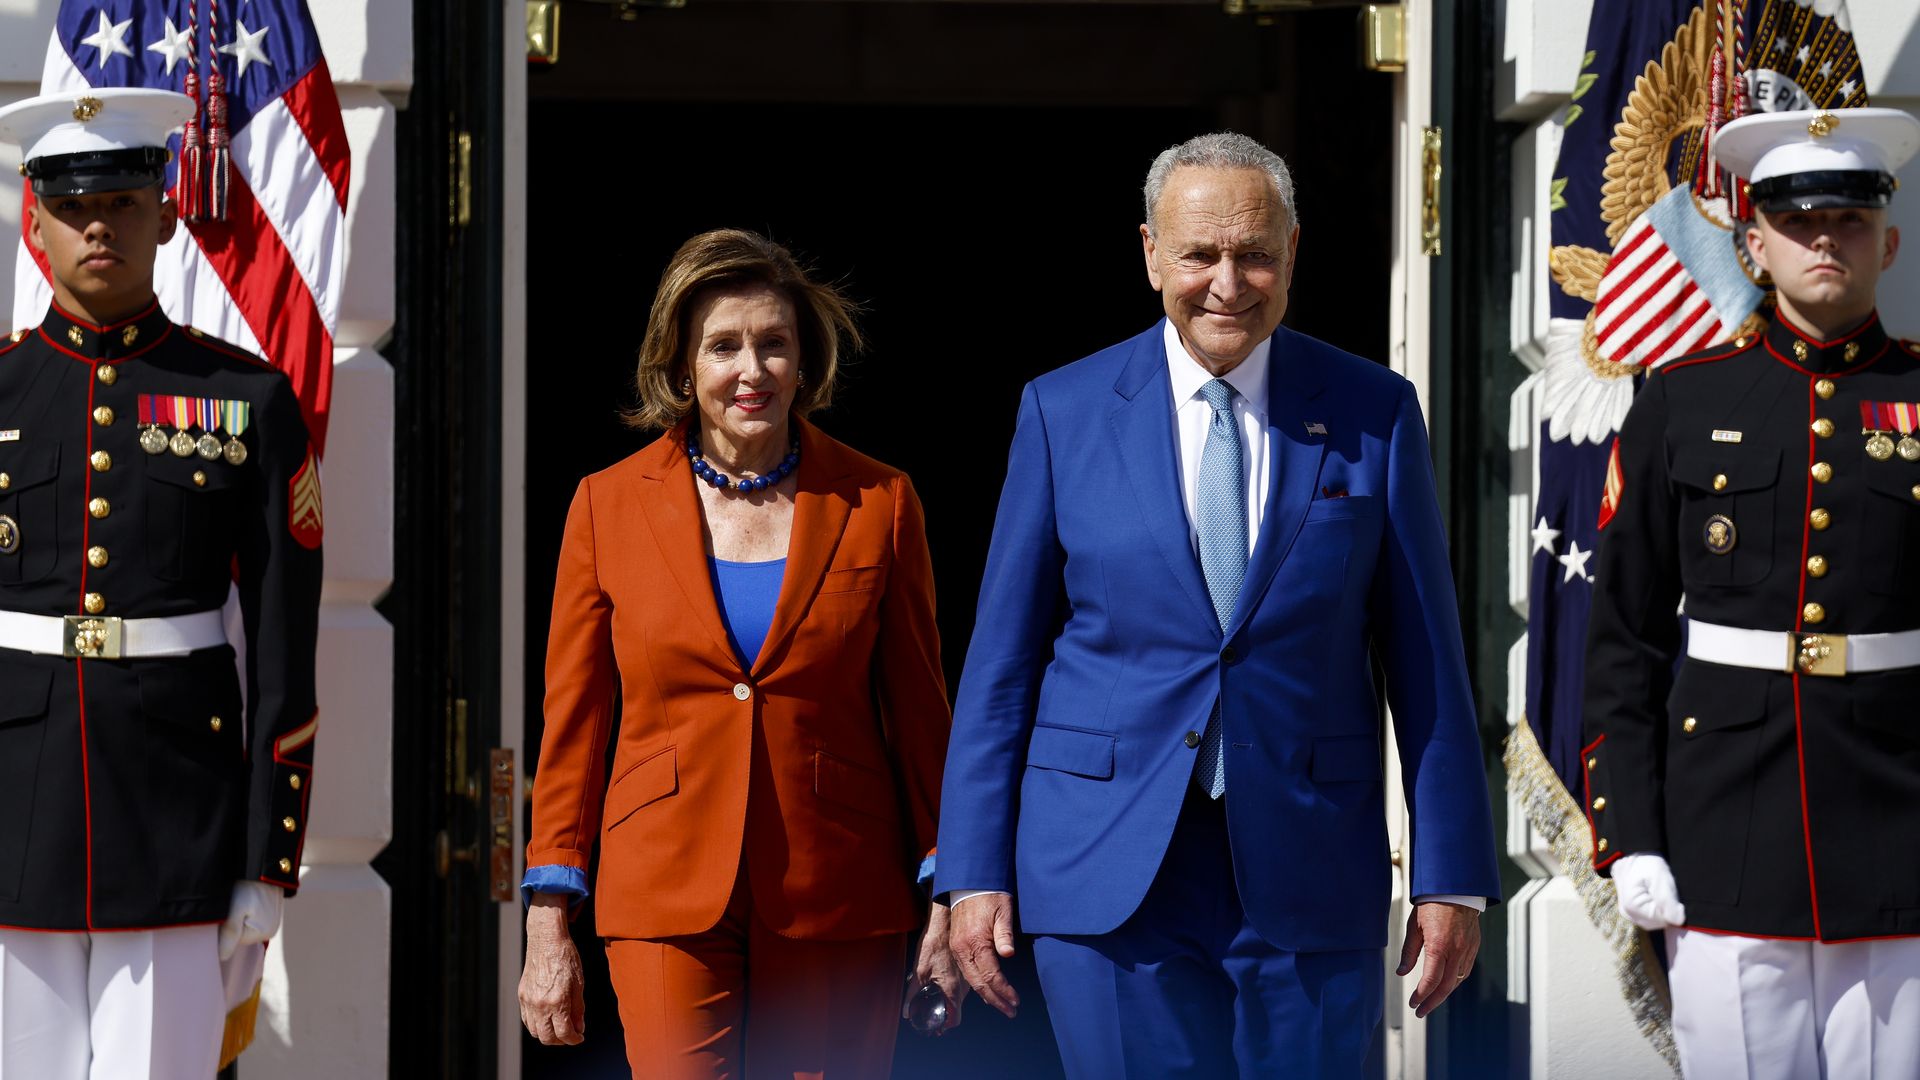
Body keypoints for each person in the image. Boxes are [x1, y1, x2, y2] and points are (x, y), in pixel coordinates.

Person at [933, 132, 1501, 1076]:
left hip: (1308, 866)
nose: (1228, 284)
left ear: (1293, 251)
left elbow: (1427, 662)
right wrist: (973, 869)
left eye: (1256, 254)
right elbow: (1000, 666)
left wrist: (1453, 878)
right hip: (1107, 875)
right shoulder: (1062, 411)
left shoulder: (1374, 410)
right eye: (1200, 254)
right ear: (1151, 252)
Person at [517, 228, 961, 1076]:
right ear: (682, 366)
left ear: (805, 360)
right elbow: (573, 725)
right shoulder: (605, 505)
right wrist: (548, 917)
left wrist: (951, 886)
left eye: (774, 344)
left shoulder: (880, 501)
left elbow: (920, 713)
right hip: (663, 886)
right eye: (724, 347)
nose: (751, 371)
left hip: (839, 883)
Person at [1584, 106, 1920, 1078]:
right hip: (1724, 828)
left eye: (1850, 220)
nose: (1826, 238)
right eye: (1800, 221)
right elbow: (1625, 640)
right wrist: (1630, 836)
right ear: (1755, 243)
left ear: (1888, 241)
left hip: (1901, 827)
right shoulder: (1682, 401)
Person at [0, 88, 322, 1076]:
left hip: (180, 818)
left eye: (127, 202)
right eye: (73, 205)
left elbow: (282, 646)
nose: (100, 224)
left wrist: (268, 856)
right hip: (13, 812)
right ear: (34, 221)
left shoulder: (246, 400)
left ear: (169, 216)